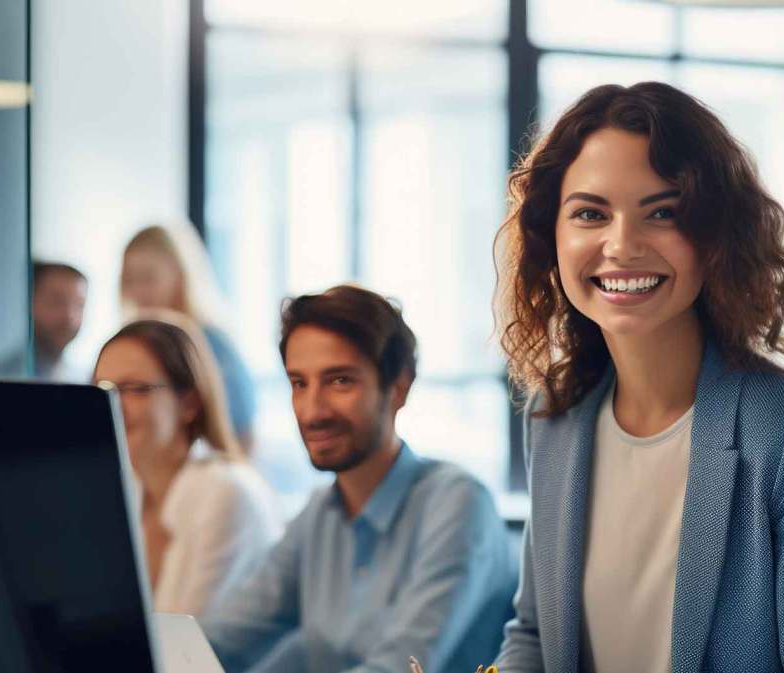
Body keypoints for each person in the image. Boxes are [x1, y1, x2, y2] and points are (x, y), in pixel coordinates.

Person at [492, 82, 784, 673]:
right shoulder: (556, 418)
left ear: (716, 236)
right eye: (591, 214)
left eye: (663, 213)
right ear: (553, 235)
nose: (621, 245)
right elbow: (534, 637)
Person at [201, 284, 517, 673]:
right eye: (299, 383)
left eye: (340, 381)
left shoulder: (459, 504)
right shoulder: (319, 514)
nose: (312, 411)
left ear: (398, 388)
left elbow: (401, 665)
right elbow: (223, 637)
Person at [92, 312, 281, 616]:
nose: (114, 405)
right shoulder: (124, 490)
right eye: (103, 390)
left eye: (136, 389)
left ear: (189, 403)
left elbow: (191, 635)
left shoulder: (225, 492)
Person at [120, 222, 257, 449]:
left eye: (148, 278)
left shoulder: (214, 345)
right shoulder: (125, 347)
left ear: (180, 275)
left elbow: (244, 440)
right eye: (129, 280)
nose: (138, 292)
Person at [0, 261, 88, 381]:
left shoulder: (85, 380)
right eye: (56, 302)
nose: (69, 316)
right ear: (29, 301)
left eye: (79, 305)